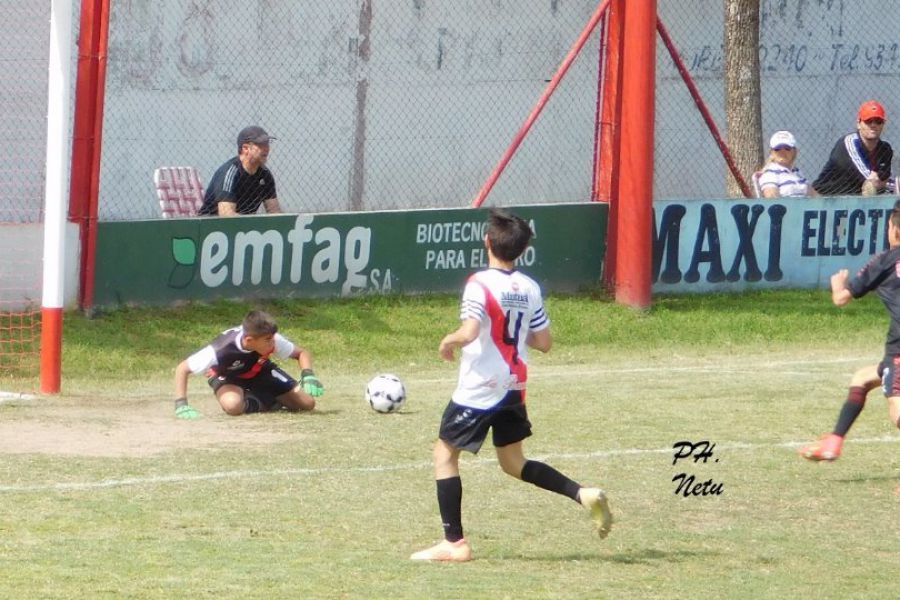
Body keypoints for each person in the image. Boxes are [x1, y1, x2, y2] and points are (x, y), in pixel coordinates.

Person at [410, 208, 612, 563]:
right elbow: (544, 342)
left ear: (487, 242)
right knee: (513, 462)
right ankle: (583, 494)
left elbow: (471, 331)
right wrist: (514, 334)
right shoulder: (529, 287)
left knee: (444, 455)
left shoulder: (480, 284)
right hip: (514, 384)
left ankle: (454, 544)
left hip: (480, 387)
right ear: (521, 251)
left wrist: (450, 339)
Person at [799, 208, 900, 461]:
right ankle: (833, 442)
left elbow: (842, 299)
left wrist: (837, 286)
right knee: (862, 379)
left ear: (894, 230)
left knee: (897, 411)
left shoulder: (884, 261)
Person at [173, 309, 324, 418]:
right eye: (268, 340)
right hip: (227, 376)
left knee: (307, 404)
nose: (273, 342)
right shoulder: (220, 349)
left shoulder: (270, 337)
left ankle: (267, 398)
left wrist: (308, 374)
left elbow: (301, 353)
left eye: (273, 338)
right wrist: (181, 405)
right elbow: (182, 368)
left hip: (259, 370)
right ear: (249, 340)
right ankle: (263, 401)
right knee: (233, 406)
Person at [812, 100, 893, 196]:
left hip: (855, 201)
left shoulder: (885, 149)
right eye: (868, 121)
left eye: (878, 121)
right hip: (824, 200)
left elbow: (883, 178)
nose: (873, 125)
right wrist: (892, 185)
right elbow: (869, 182)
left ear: (883, 125)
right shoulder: (848, 144)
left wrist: (886, 184)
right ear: (858, 124)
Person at [198, 126, 283, 216]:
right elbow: (226, 215)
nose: (266, 148)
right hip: (211, 227)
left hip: (244, 227)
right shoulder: (230, 173)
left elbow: (274, 211)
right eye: (260, 144)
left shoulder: (265, 174)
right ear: (245, 148)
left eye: (267, 143)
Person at [757, 130, 816, 198]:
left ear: (794, 151)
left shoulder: (796, 172)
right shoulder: (770, 174)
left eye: (787, 148)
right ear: (772, 152)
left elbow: (815, 196)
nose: (782, 152)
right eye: (777, 149)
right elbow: (772, 201)